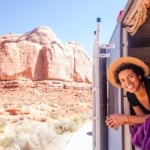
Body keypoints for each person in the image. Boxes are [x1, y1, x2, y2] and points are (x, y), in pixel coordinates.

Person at [105, 56, 150, 150]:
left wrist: (125, 118)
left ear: (139, 76)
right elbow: (142, 119)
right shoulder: (131, 95)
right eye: (123, 80)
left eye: (131, 76)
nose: (128, 83)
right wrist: (119, 121)